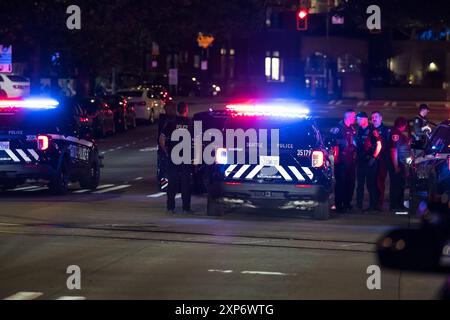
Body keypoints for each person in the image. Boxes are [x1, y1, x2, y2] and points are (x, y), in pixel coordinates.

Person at [159, 102, 193, 214]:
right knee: (185, 183)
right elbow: (197, 142)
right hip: (186, 157)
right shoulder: (191, 123)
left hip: (173, 157)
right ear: (186, 110)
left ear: (177, 110)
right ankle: (186, 208)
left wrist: (166, 152)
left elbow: (162, 140)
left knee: (172, 183)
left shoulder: (170, 123)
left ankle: (170, 207)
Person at [330, 109, 357, 213]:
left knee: (350, 183)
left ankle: (347, 203)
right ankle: (339, 205)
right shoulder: (338, 128)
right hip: (341, 160)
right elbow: (330, 140)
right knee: (341, 183)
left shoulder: (352, 128)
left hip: (351, 160)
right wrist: (343, 142)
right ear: (348, 117)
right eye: (354, 116)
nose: (355, 118)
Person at [355, 112, 382, 213]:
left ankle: (372, 206)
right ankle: (358, 205)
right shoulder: (359, 130)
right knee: (360, 185)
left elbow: (379, 145)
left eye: (358, 119)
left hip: (370, 161)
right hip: (361, 161)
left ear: (364, 119)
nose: (357, 121)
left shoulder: (372, 130)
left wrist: (374, 158)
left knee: (371, 185)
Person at [390, 117, 413, 212]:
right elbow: (393, 151)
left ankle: (399, 204)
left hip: (402, 164)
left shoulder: (399, 134)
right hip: (398, 164)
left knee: (401, 185)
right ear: (403, 125)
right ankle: (395, 205)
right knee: (397, 185)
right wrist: (396, 166)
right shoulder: (396, 134)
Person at [370, 111, 391, 211]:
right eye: (373, 117)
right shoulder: (369, 129)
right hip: (371, 160)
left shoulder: (386, 130)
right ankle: (372, 203)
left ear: (381, 118)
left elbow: (387, 145)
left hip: (382, 160)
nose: (374, 118)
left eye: (376, 117)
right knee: (371, 183)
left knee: (380, 182)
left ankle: (379, 203)